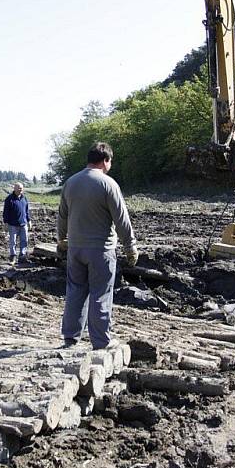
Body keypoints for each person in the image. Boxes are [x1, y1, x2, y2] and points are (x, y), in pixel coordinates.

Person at [57, 142, 138, 350]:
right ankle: (101, 342)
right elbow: (122, 219)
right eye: (110, 161)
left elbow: (62, 216)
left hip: (75, 249)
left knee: (75, 292)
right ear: (105, 161)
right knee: (100, 294)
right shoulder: (108, 184)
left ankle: (70, 338)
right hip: (101, 250)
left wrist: (61, 240)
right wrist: (130, 247)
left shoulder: (70, 183)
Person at [3, 182, 31, 265]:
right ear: (14, 188)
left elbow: (26, 211)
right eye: (18, 188)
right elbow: (6, 212)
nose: (20, 189)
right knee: (13, 242)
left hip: (23, 224)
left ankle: (22, 257)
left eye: (21, 188)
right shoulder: (9, 199)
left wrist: (29, 221)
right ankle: (13, 257)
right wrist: (6, 223)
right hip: (12, 224)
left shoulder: (24, 198)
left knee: (24, 241)